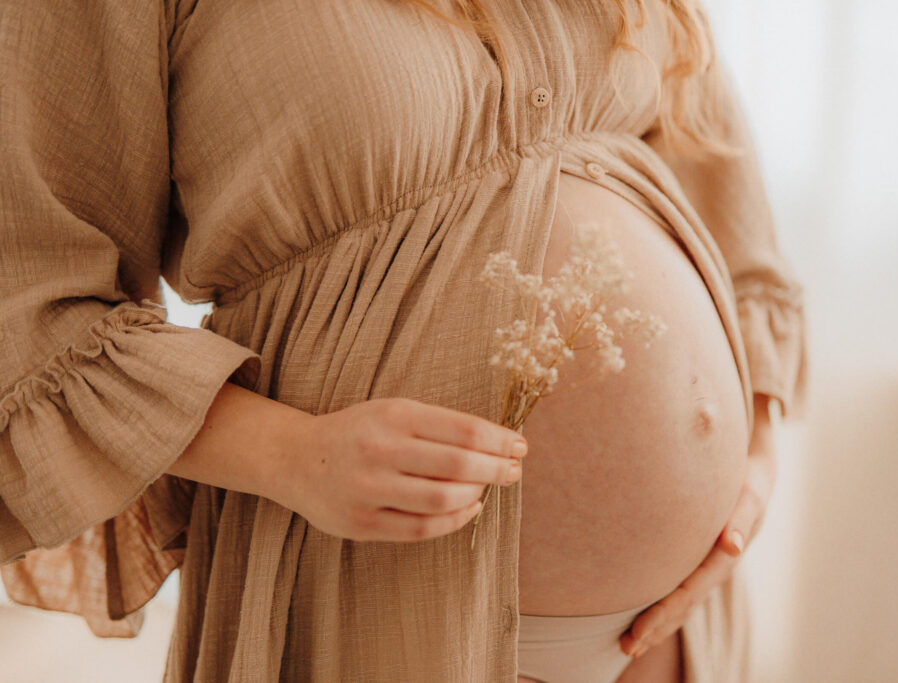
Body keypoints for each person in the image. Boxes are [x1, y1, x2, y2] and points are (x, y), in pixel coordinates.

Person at [0, 1, 807, 681]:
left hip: (680, 620)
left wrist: (754, 456)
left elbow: (710, 159)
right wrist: (292, 452)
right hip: (377, 583)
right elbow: (33, 306)